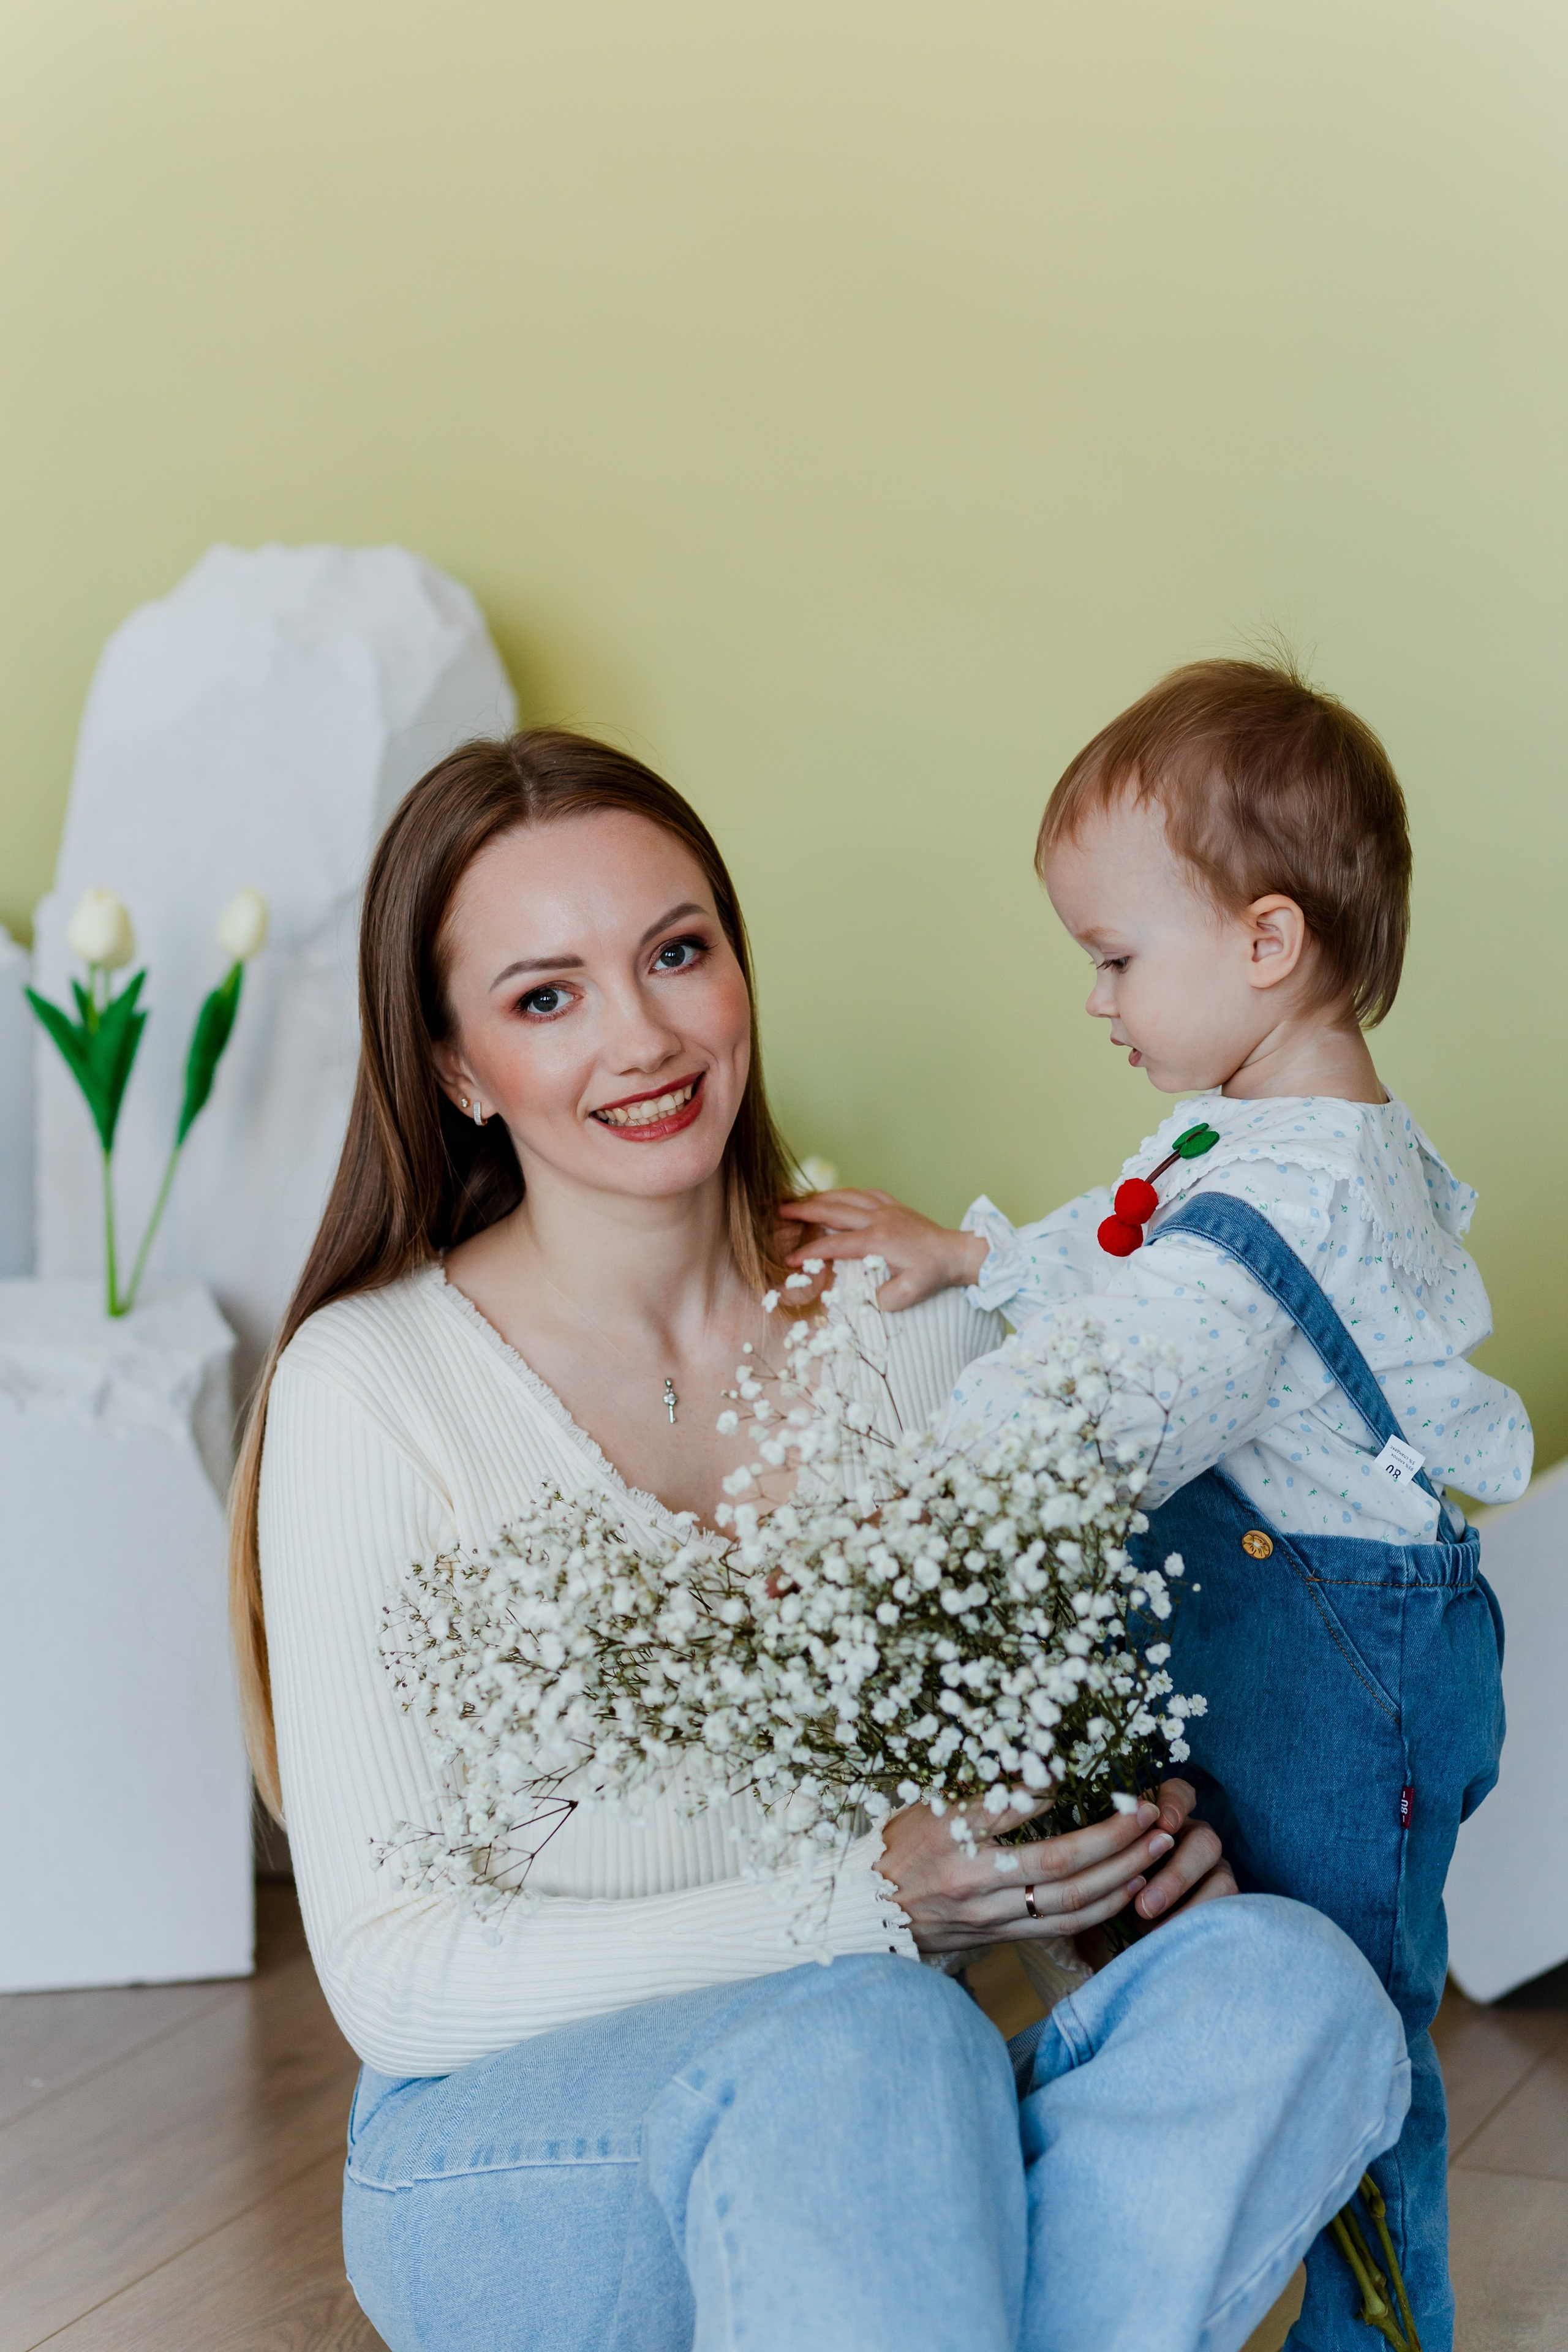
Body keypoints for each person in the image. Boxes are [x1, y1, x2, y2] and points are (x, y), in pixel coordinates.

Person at [232, 726, 1409, 2352]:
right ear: (452, 1068)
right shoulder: (373, 1385)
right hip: (515, 2161)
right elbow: (401, 1983)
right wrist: (873, 1906)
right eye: (546, 995)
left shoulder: (919, 1323)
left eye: (678, 953)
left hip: (882, 2120)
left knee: (1290, 1992)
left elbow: (1004, 1784)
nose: (643, 1035)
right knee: (877, 2031)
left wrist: (1106, 1864)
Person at [782, 657, 1527, 2352]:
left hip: (1350, 1676)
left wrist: (898, 1522)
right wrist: (974, 1255)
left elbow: (1104, 1398)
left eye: (1115, 959)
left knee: (1358, 2032)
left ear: (1265, 945)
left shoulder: (1308, 1198)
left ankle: (1381, 2334)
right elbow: (1123, 1246)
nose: (1096, 1001)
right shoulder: (1234, 1134)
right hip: (1278, 1640)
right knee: (1228, 1979)